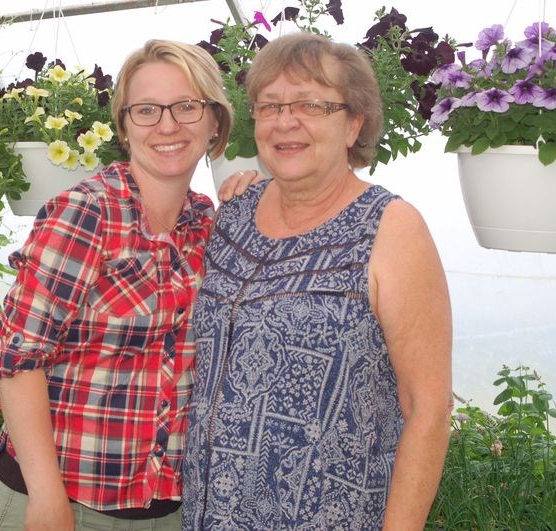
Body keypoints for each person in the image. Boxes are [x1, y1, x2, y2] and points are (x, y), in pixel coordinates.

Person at [182, 32, 453, 530]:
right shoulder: (232, 216)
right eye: (271, 105)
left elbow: (428, 411)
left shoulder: (390, 228)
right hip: (209, 515)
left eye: (311, 104)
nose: (286, 121)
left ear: (354, 124)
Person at [0, 39, 254, 530]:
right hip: (69, 499)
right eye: (147, 110)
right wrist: (47, 499)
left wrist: (264, 193)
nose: (167, 125)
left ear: (216, 121)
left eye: (187, 106)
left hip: (168, 505)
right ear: (125, 127)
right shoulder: (87, 213)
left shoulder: (208, 224)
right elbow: (18, 358)